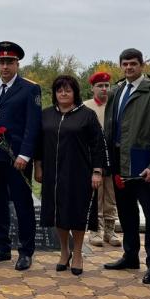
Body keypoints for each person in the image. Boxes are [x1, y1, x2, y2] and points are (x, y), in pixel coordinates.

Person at [102, 48, 150, 284]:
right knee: (127, 213)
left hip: (144, 166)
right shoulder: (117, 90)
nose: (129, 68)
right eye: (125, 64)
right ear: (120, 65)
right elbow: (110, 127)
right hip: (120, 163)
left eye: (133, 64)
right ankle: (130, 256)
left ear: (142, 65)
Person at [35, 75, 107, 275]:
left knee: (76, 213)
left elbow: (98, 145)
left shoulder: (87, 115)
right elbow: (38, 144)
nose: (63, 93)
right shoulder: (46, 114)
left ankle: (77, 253)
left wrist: (97, 171)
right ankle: (64, 251)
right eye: (59, 90)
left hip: (79, 172)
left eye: (68, 90)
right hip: (53, 172)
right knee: (58, 213)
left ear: (75, 92)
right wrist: (38, 166)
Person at [0, 41, 42, 271]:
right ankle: (2, 247)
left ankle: (26, 251)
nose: (5, 66)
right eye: (1, 62)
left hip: (18, 158)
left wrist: (25, 155)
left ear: (17, 63)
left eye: (9, 62)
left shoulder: (29, 89)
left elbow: (32, 125)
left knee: (22, 204)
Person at [83, 71, 121, 248]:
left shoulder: (116, 106)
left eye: (107, 85)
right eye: (100, 85)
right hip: (93, 157)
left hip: (113, 156)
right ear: (92, 88)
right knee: (95, 194)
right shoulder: (85, 107)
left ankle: (110, 229)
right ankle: (95, 230)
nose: (104, 89)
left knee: (111, 194)